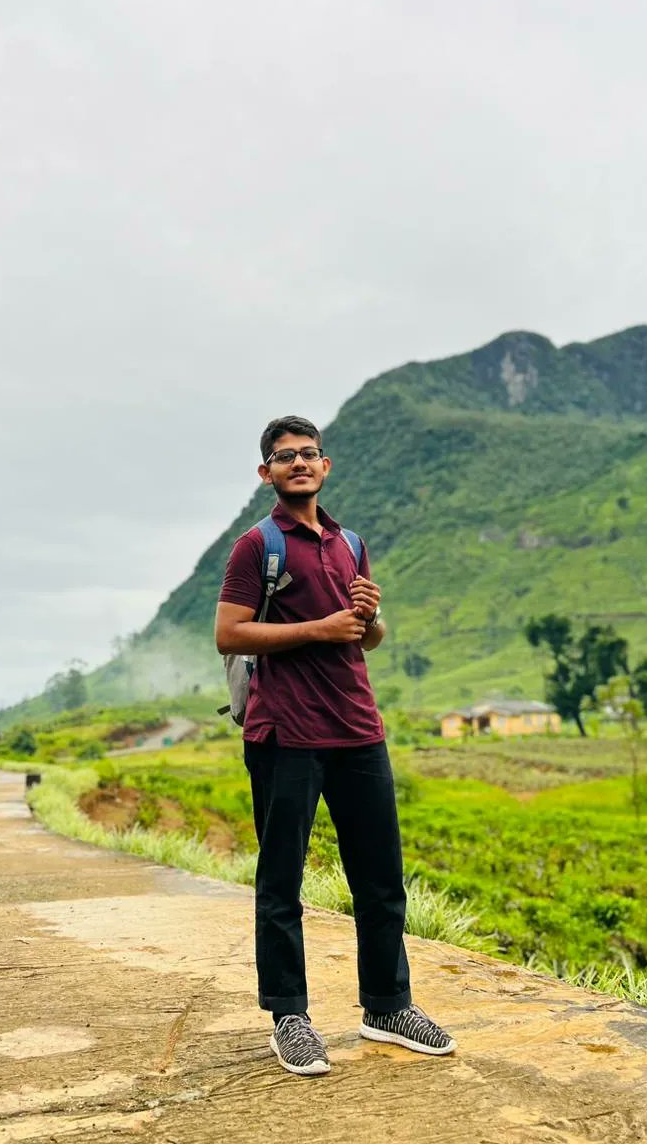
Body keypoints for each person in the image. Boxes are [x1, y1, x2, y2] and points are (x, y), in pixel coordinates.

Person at [215, 414, 457, 1077]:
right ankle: (289, 1017)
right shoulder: (255, 547)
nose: (299, 462)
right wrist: (316, 630)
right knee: (281, 882)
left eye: (309, 454)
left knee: (380, 879)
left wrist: (366, 618)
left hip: (358, 729)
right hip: (285, 733)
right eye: (284, 456)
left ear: (327, 467)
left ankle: (387, 1005)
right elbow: (230, 634)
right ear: (266, 473)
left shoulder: (351, 543)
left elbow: (363, 637)